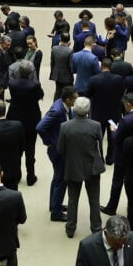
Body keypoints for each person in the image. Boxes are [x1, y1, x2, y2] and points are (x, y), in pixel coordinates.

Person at [58, 96, 106, 238]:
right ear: (88, 110)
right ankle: (96, 228)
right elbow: (100, 146)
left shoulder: (65, 127)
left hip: (73, 167)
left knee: (72, 200)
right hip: (92, 167)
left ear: (74, 109)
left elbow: (61, 149)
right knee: (94, 199)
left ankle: (70, 228)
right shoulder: (96, 125)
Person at [37, 86, 78, 222]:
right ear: (68, 100)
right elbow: (40, 127)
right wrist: (48, 142)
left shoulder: (63, 106)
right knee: (61, 180)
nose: (76, 101)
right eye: (75, 99)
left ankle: (55, 205)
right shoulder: (57, 111)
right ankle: (56, 213)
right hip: (58, 150)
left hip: (61, 148)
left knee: (57, 178)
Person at [7, 62, 44, 186]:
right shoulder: (35, 85)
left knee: (16, 149)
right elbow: (40, 96)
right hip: (31, 119)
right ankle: (30, 175)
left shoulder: (12, 84)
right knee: (30, 149)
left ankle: (16, 175)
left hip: (15, 118)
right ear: (31, 72)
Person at [86, 58, 126, 164]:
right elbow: (122, 93)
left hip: (98, 115)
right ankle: (110, 158)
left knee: (98, 137)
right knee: (112, 137)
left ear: (101, 66)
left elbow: (87, 94)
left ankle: (100, 158)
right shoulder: (119, 79)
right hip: (113, 115)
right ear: (111, 67)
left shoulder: (93, 79)